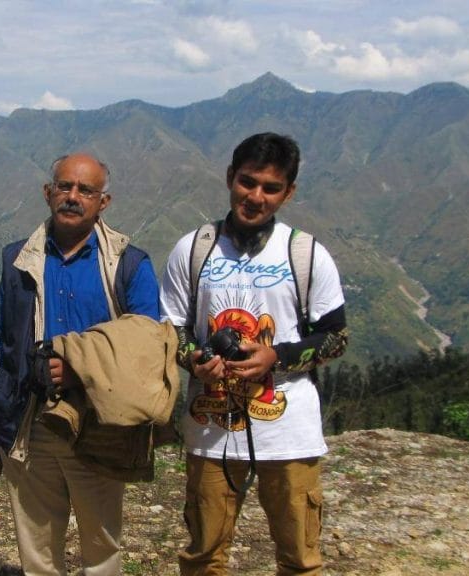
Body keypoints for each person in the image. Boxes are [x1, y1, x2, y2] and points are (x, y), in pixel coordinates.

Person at [160, 132, 349, 575]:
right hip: (211, 426)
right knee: (204, 554)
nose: (255, 196)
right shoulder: (194, 249)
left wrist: (275, 357)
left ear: (289, 192)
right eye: (247, 182)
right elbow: (172, 328)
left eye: (271, 187)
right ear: (229, 177)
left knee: (300, 558)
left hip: (289, 430)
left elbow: (336, 337)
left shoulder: (305, 253)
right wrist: (195, 359)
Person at [0, 153, 160, 575]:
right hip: (33, 422)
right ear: (48, 193)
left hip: (98, 424)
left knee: (100, 547)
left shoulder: (129, 264)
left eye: (86, 190)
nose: (73, 197)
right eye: (64, 187)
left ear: (104, 202)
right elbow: (5, 343)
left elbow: (147, 347)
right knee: (37, 549)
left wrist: (82, 367)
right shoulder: (17, 259)